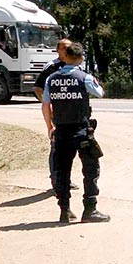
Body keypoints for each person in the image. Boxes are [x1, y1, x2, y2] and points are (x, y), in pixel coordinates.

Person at [41, 42, 109, 223]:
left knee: (63, 171)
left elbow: (45, 105)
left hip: (61, 131)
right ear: (80, 58)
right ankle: (90, 210)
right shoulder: (84, 77)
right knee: (90, 170)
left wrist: (50, 127)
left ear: (65, 57)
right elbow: (100, 93)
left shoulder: (51, 79)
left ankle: (64, 210)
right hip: (81, 131)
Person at [34, 38, 79, 194]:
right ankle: (56, 180)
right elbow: (38, 88)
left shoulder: (74, 66)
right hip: (57, 114)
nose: (67, 50)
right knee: (56, 147)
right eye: (64, 48)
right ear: (58, 50)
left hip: (73, 115)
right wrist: (49, 106)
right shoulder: (52, 67)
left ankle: (65, 180)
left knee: (70, 148)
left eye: (69, 47)